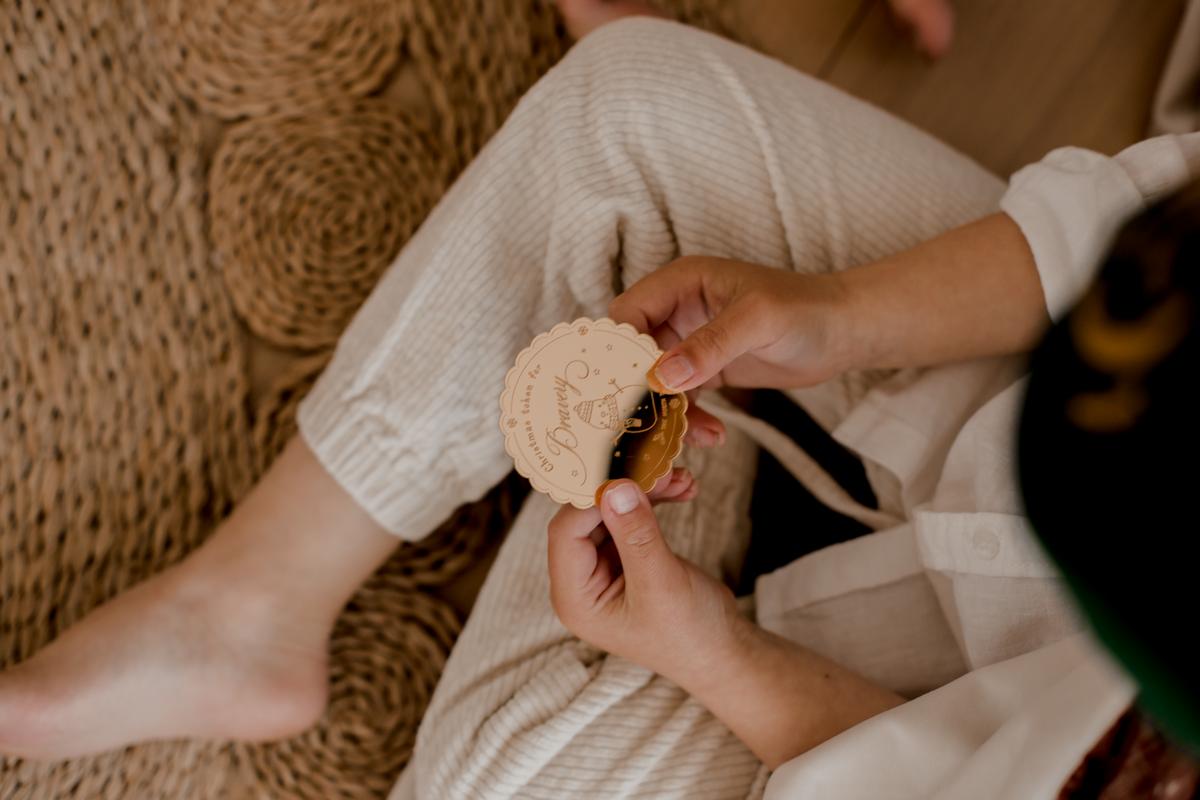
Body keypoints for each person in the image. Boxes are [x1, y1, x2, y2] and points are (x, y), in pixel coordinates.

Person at [1, 7, 1196, 800]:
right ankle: (254, 599)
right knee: (632, 107)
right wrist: (841, 309)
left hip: (903, 717)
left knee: (496, 776)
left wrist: (709, 649)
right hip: (999, 363)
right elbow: (1136, 213)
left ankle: (704, 483)